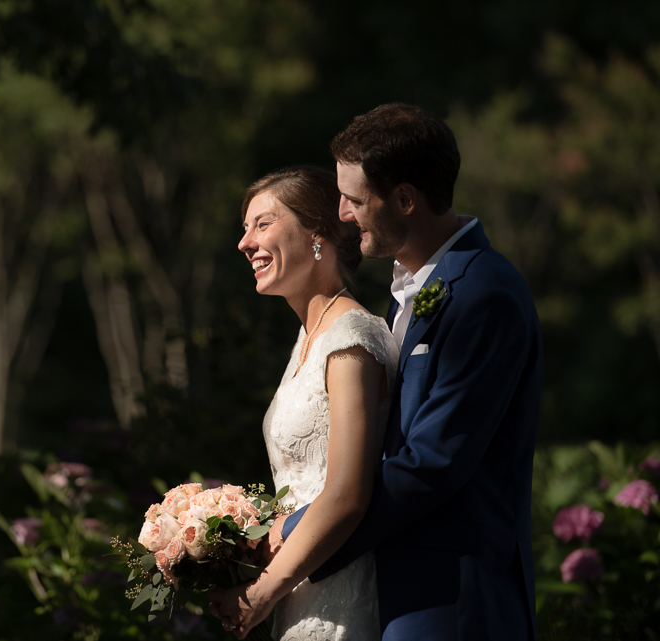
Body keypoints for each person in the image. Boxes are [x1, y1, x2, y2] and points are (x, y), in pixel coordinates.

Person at [262, 104, 543, 640]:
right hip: (397, 592)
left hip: (453, 600)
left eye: (354, 199)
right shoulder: (408, 292)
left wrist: (294, 533)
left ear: (406, 199)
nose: (342, 214)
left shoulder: (486, 294)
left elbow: (432, 462)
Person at [213, 166, 400, 640]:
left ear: (317, 232)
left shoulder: (350, 337)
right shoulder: (308, 336)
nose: (244, 243)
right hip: (297, 590)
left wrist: (263, 592)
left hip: (338, 589)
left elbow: (346, 494)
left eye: (262, 224)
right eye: (244, 228)